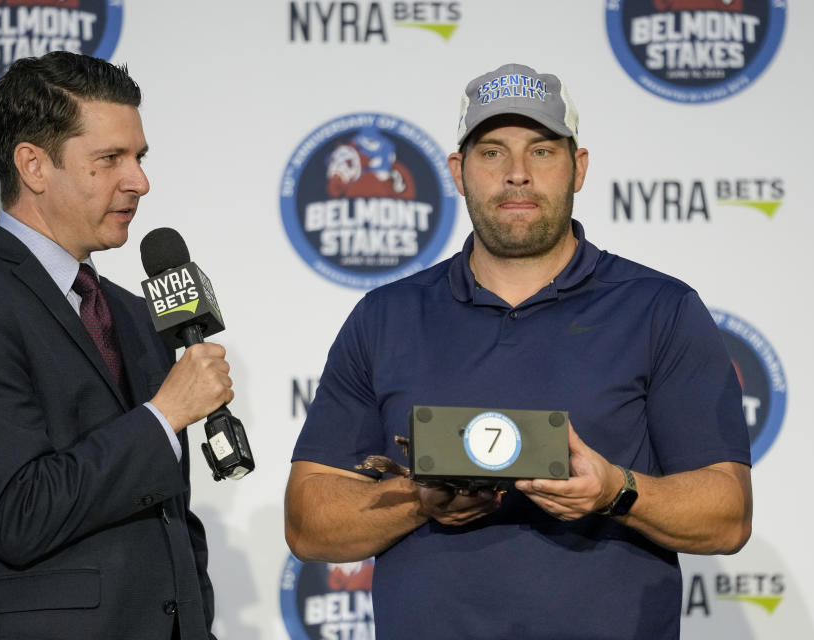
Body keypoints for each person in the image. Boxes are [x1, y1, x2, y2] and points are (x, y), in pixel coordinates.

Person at [284, 63, 753, 639]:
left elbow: (727, 515)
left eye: (542, 151)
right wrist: (418, 499)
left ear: (578, 168)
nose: (517, 175)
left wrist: (615, 490)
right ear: (458, 171)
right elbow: (308, 522)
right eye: (491, 153)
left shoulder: (662, 309)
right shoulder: (385, 317)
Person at [0, 51, 232, 640]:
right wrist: (164, 416)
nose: (140, 181)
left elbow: (165, 512)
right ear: (33, 164)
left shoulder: (131, 311)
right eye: (110, 159)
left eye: (140, 157)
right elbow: (17, 512)